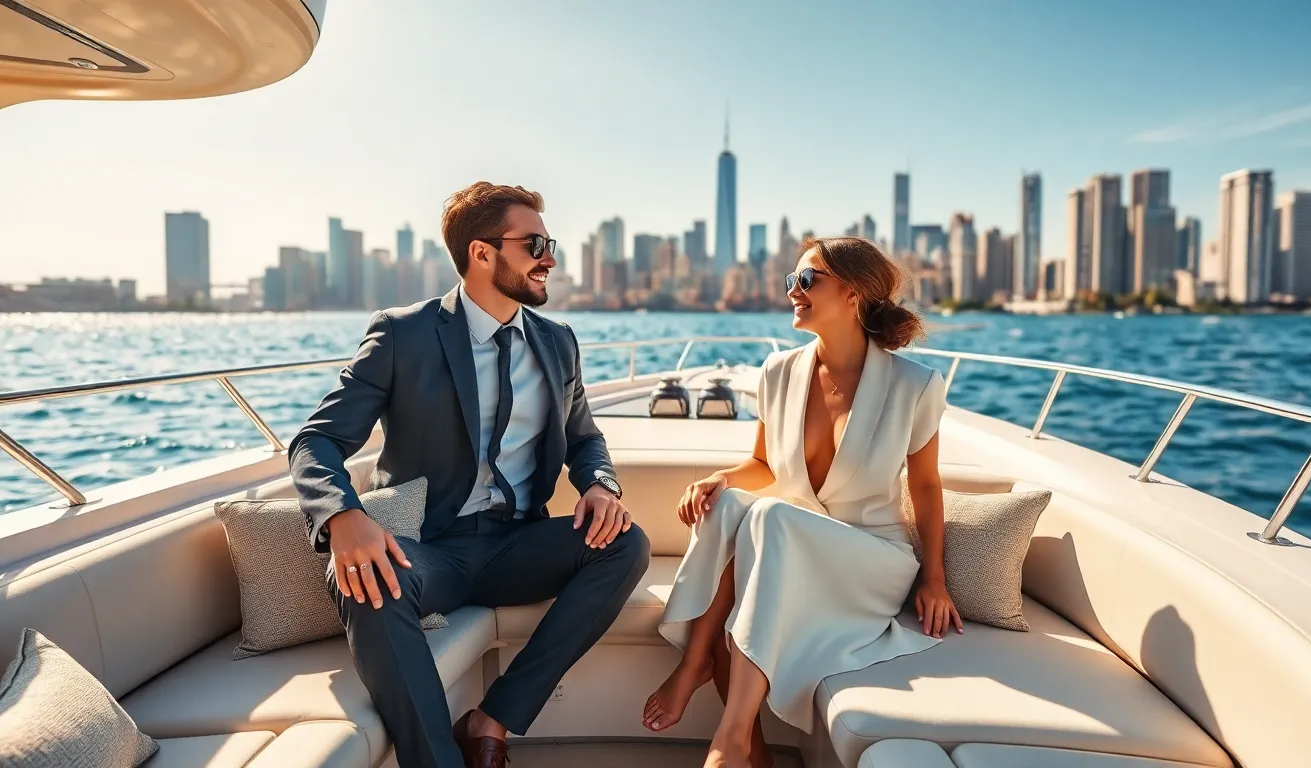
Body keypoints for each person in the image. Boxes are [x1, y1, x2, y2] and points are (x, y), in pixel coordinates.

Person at [289, 182, 651, 768]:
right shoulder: (403, 334)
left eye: (549, 242)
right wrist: (342, 516)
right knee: (368, 579)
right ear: (482, 253)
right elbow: (317, 440)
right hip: (429, 550)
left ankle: (494, 718)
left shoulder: (559, 343)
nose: (550, 258)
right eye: (534, 243)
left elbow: (584, 439)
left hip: (517, 544)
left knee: (626, 543)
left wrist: (600, 484)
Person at [643, 237, 960, 768]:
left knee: (765, 515)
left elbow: (925, 487)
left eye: (806, 280)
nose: (793, 291)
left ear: (854, 293)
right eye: (790, 281)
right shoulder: (778, 372)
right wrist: (719, 478)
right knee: (729, 505)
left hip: (868, 559)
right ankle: (714, 688)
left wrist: (934, 577)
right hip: (789, 547)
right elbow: (764, 465)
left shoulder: (916, 385)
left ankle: (733, 729)